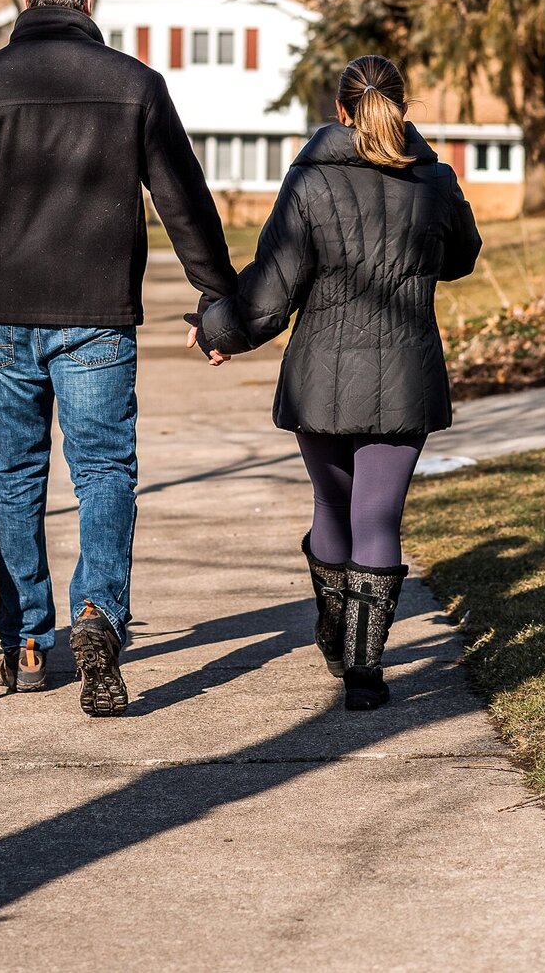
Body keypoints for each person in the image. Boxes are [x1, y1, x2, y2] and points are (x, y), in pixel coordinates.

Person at [0, 0, 237, 717]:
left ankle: (28, 642)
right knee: (102, 472)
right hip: (97, 317)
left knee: (19, 476)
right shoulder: (134, 86)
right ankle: (97, 614)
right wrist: (220, 301)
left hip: (4, 315)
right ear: (86, 2)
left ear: (26, 1)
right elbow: (183, 204)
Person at [191, 54, 481, 712]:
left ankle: (335, 631)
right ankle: (364, 672)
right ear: (401, 109)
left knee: (334, 509)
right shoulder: (434, 180)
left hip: (321, 379)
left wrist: (216, 330)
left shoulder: (310, 184)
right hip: (406, 375)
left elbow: (268, 299)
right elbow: (461, 255)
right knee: (378, 518)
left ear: (340, 111)